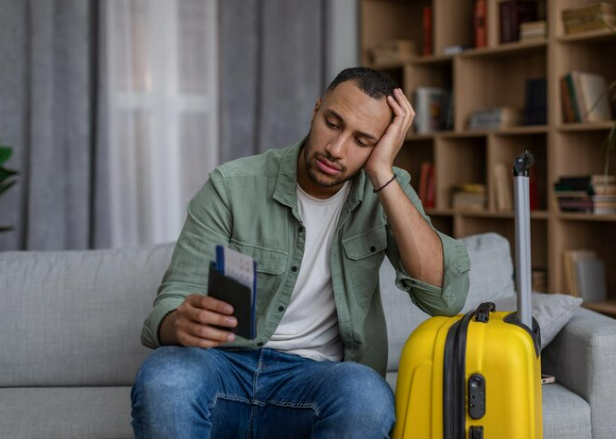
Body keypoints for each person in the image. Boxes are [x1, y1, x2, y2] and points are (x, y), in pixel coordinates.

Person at [131, 67, 470, 439]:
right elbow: (171, 301)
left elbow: (442, 297)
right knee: (166, 374)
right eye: (333, 123)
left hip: (315, 382)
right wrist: (177, 322)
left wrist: (383, 174)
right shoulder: (232, 187)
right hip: (226, 367)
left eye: (362, 140)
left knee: (366, 394)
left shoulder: (387, 190)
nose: (336, 149)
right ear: (316, 108)